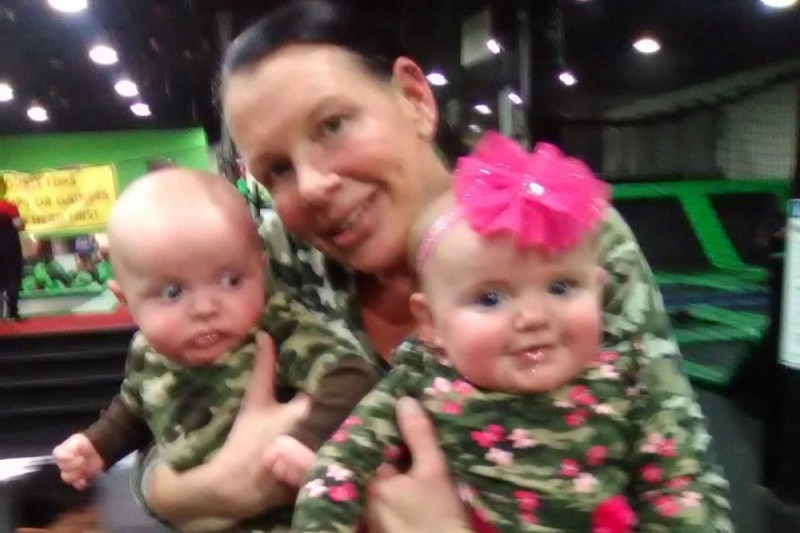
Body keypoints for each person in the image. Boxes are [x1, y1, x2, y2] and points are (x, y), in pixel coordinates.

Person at [129, 2, 732, 532]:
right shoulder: (274, 260)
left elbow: (685, 485)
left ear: (414, 99)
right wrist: (208, 490)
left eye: (333, 126)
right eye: (277, 170)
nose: (311, 186)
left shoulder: (551, 234)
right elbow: (152, 412)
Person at [293, 133, 712, 533]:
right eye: (490, 298)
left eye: (561, 287)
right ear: (431, 323)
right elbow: (339, 468)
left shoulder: (627, 382)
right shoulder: (422, 379)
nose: (532, 317)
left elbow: (679, 492)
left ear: (599, 292)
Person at [52, 168, 380, 531]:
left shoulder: (274, 329)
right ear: (126, 300)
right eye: (173, 292)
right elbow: (135, 405)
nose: (206, 308)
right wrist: (98, 445)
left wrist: (307, 439)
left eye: (230, 280)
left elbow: (351, 375)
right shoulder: (148, 351)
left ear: (261, 270)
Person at [0, 177, 25, 321]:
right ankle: (12, 312)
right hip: (10, 249)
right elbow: (19, 226)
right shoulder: (10, 207)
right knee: (12, 281)